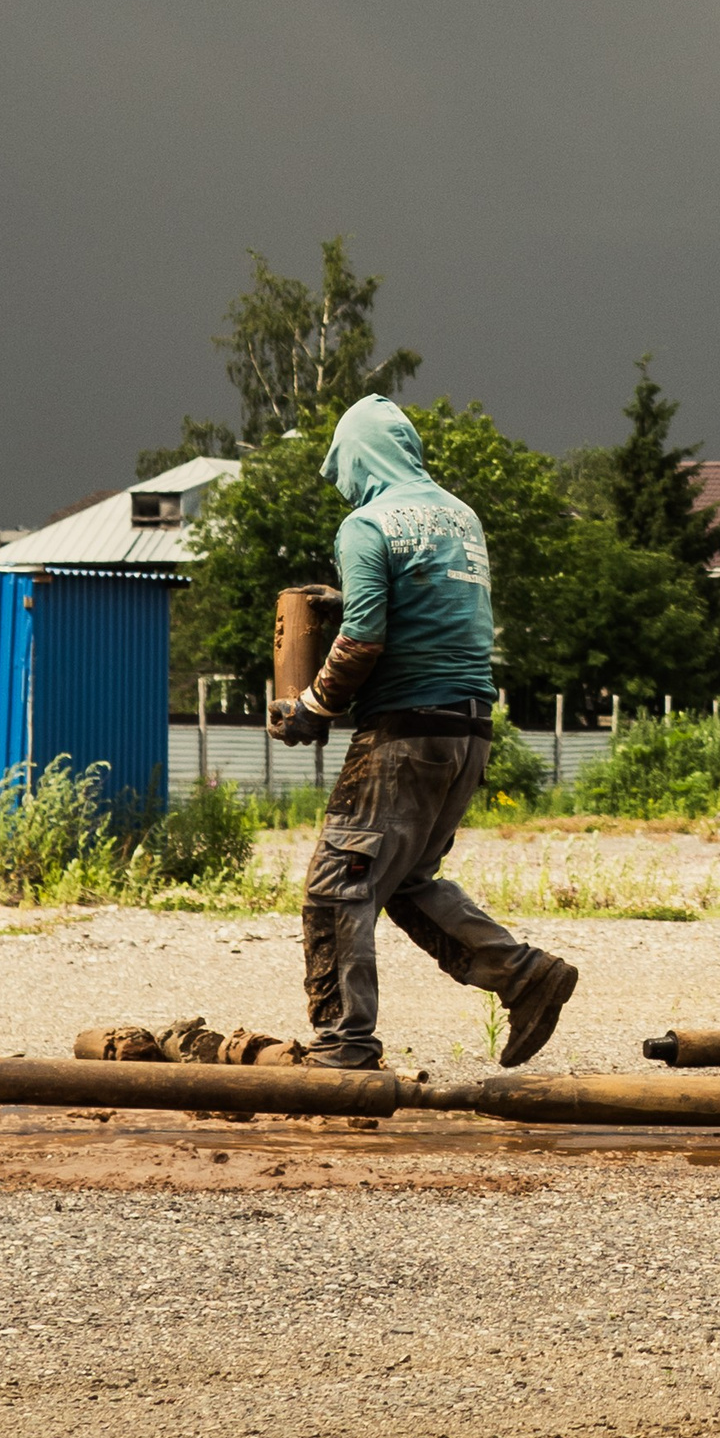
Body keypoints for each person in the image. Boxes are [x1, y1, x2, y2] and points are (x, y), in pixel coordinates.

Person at [269, 395, 579, 1073]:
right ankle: (524, 976)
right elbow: (427, 606)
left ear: (358, 458)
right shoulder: (460, 515)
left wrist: (312, 708)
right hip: (467, 730)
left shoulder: (365, 523)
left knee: (337, 886)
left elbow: (362, 639)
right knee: (407, 879)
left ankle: (344, 1044)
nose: (345, 484)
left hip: (403, 734)